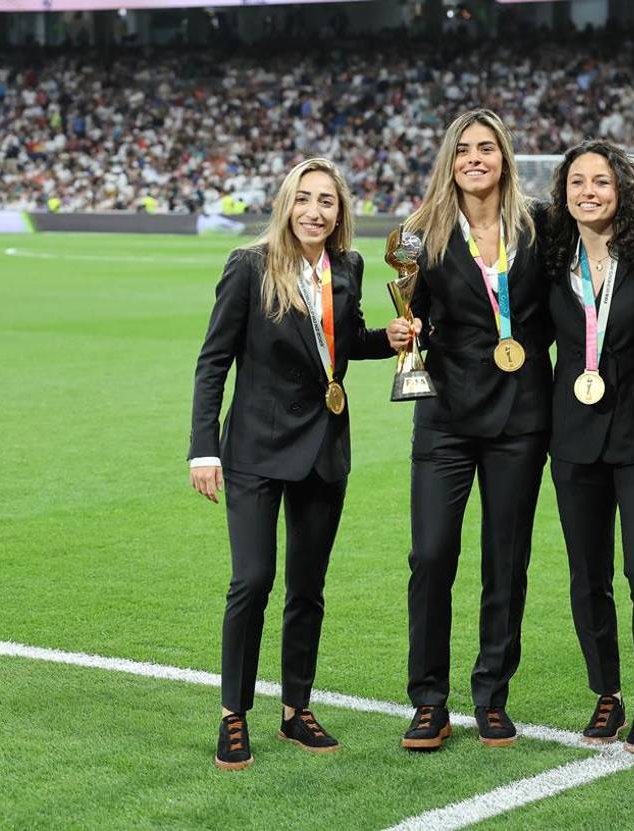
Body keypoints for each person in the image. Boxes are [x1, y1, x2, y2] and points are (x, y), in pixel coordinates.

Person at [189, 157, 393, 770]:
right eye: (304, 198)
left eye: (326, 201)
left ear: (340, 210)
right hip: (255, 449)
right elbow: (213, 361)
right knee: (252, 581)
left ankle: (295, 709)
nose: (314, 211)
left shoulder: (348, 266)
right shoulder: (249, 266)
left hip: (324, 448)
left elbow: (342, 343)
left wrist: (390, 341)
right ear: (286, 204)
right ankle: (233, 714)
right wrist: (203, 447)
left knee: (308, 587)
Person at [385, 109, 552, 750]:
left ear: (504, 157)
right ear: (448, 162)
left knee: (505, 560)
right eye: (463, 150)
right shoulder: (417, 233)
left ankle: (491, 695)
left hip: (521, 415)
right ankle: (429, 700)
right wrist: (406, 331)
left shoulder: (539, 226)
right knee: (430, 556)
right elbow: (413, 309)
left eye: (486, 148)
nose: (474, 159)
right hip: (446, 415)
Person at [542, 140, 634, 755]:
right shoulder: (552, 255)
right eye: (577, 182)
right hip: (574, 437)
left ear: (623, 189)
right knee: (588, 574)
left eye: (601, 181)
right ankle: (606, 692)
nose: (588, 192)